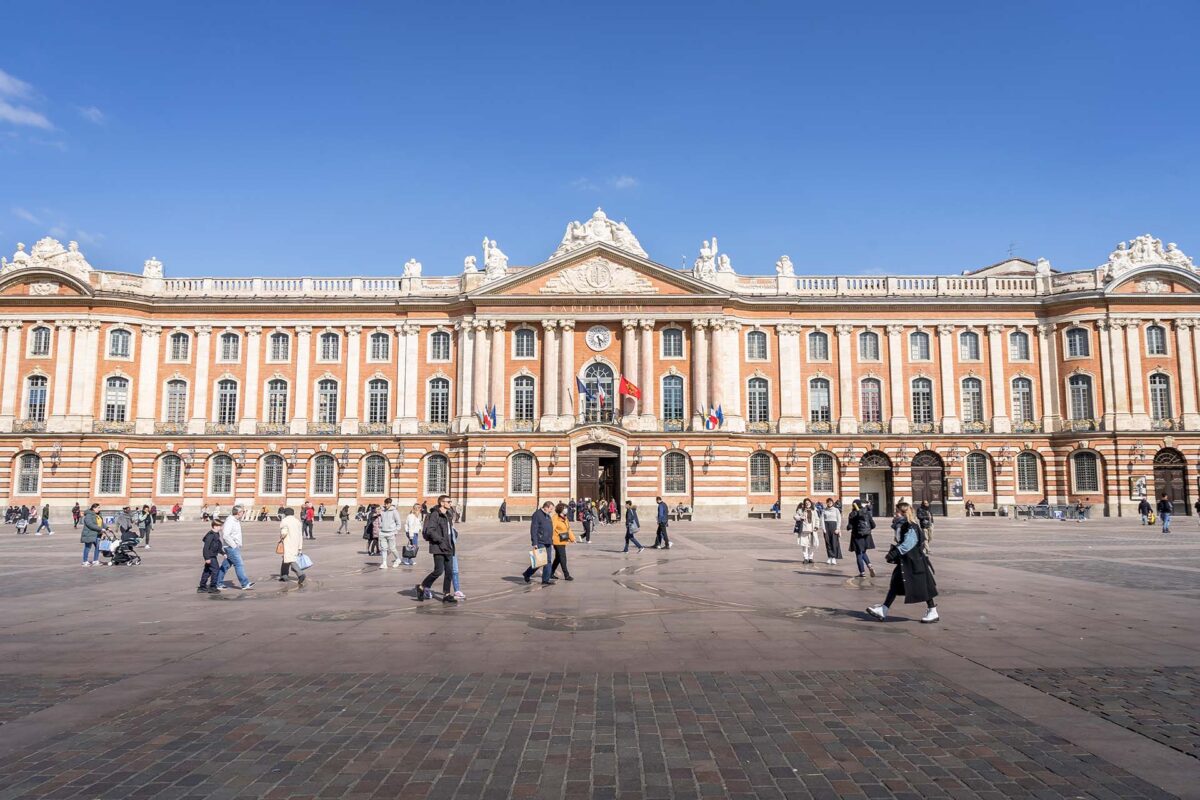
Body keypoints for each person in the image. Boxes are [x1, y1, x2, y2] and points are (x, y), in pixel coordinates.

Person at [867, 501, 939, 623]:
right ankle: (883, 609)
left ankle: (932, 611)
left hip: (914, 562)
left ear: (903, 513)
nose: (895, 514)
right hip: (906, 562)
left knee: (923, 587)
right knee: (895, 585)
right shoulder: (901, 525)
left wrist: (894, 553)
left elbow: (908, 544)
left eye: (897, 512)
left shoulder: (911, 526)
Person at [416, 494, 456, 602]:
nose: (450, 503)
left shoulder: (448, 513)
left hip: (448, 546)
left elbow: (448, 529)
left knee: (449, 571)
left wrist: (453, 536)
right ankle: (421, 586)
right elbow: (430, 530)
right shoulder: (435, 514)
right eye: (448, 501)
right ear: (442, 503)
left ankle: (446, 594)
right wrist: (441, 540)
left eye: (450, 501)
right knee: (438, 571)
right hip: (438, 547)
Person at [217, 505, 254, 590]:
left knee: (225, 566)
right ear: (238, 512)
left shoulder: (236, 520)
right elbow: (225, 535)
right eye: (243, 512)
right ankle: (245, 583)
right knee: (239, 564)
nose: (243, 513)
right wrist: (234, 545)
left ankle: (217, 583)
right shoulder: (230, 521)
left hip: (232, 546)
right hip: (231, 547)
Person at [522, 501, 556, 584]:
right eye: (551, 509)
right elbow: (534, 529)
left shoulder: (548, 515)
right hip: (540, 541)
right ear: (546, 507)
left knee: (548, 561)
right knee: (539, 561)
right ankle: (527, 574)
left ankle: (545, 580)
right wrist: (535, 543)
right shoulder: (537, 514)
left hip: (548, 541)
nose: (551, 511)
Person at [847, 500, 877, 579]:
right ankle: (869, 565)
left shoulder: (852, 514)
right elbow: (873, 525)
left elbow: (849, 526)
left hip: (857, 536)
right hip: (867, 536)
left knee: (859, 554)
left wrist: (850, 527)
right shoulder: (866, 512)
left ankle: (862, 572)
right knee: (863, 552)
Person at [277, 507, 305, 585]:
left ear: (285, 513)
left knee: (290, 559)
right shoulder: (297, 521)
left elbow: (284, 532)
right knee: (286, 558)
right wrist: (300, 546)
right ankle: (284, 575)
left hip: (288, 542)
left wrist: (281, 538)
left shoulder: (285, 521)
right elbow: (300, 534)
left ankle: (300, 574)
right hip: (296, 542)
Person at [550, 502, 576, 581]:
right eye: (565, 508)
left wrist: (573, 538)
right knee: (563, 557)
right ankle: (566, 575)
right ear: (561, 509)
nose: (566, 509)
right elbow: (551, 529)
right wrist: (550, 541)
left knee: (558, 558)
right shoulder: (555, 518)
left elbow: (568, 529)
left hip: (563, 540)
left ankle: (550, 573)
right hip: (557, 541)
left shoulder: (565, 518)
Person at [199, 518, 225, 593]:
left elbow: (217, 546)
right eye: (220, 526)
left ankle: (202, 587)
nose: (221, 527)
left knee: (207, 571)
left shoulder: (216, 534)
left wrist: (223, 553)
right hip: (210, 556)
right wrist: (207, 558)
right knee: (216, 570)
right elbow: (205, 548)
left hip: (212, 555)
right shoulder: (210, 535)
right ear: (215, 526)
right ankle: (212, 587)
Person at [378, 497, 403, 569]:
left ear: (390, 504)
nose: (385, 505)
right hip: (383, 532)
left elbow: (398, 523)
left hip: (391, 532)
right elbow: (381, 520)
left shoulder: (394, 511)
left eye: (387, 504)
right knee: (384, 548)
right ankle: (384, 563)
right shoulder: (382, 511)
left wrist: (396, 531)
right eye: (385, 504)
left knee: (392, 548)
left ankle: (398, 559)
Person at [794, 499, 817, 563]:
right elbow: (795, 516)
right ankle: (805, 558)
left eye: (808, 502)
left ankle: (811, 557)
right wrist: (800, 517)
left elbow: (817, 519)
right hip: (804, 530)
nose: (807, 504)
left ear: (810, 503)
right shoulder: (801, 510)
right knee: (804, 545)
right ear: (804, 504)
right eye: (806, 503)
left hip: (812, 530)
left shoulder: (814, 510)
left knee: (811, 544)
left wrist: (816, 527)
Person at [821, 498, 843, 565]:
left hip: (834, 527)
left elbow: (839, 520)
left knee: (834, 542)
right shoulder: (824, 510)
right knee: (828, 542)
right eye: (828, 502)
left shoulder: (836, 510)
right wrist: (823, 529)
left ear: (833, 503)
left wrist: (838, 529)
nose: (829, 503)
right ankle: (829, 557)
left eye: (831, 502)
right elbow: (822, 520)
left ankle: (833, 558)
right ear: (826, 503)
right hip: (826, 527)